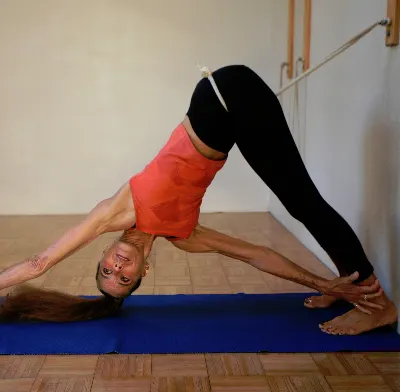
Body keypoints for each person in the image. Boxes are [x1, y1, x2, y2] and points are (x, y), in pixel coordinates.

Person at [0, 65, 396, 335]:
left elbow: (40, 263)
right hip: (232, 110)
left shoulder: (113, 212)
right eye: (125, 279)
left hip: (225, 97)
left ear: (102, 254)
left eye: (106, 272)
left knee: (303, 201)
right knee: (301, 202)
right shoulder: (184, 236)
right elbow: (256, 254)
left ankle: (377, 305)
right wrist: (321, 281)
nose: (117, 268)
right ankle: (346, 284)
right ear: (144, 273)